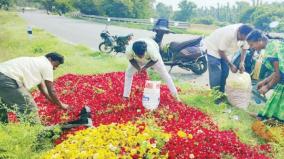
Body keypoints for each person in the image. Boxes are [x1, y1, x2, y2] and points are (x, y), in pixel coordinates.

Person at [0, 52, 70, 124]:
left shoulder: (37, 62)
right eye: (56, 65)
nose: (55, 68)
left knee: (2, 104)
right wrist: (61, 105)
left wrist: (55, 102)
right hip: (8, 78)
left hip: (2, 74)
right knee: (29, 107)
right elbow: (51, 90)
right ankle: (36, 131)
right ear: (50, 59)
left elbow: (44, 89)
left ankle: (3, 126)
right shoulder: (47, 65)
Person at [203, 24, 253, 93]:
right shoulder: (230, 34)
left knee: (225, 73)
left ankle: (221, 94)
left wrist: (242, 62)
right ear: (239, 32)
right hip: (213, 48)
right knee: (216, 73)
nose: (244, 40)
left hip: (226, 51)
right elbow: (220, 51)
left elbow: (244, 49)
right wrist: (231, 65)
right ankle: (214, 95)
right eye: (243, 38)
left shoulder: (247, 36)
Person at [246, 30, 284, 121]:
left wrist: (267, 87)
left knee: (279, 104)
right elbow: (276, 71)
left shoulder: (271, 49)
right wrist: (264, 81)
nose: (252, 48)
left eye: (252, 45)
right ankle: (264, 116)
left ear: (259, 40)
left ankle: (269, 119)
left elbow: (278, 74)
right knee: (276, 102)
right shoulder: (273, 43)